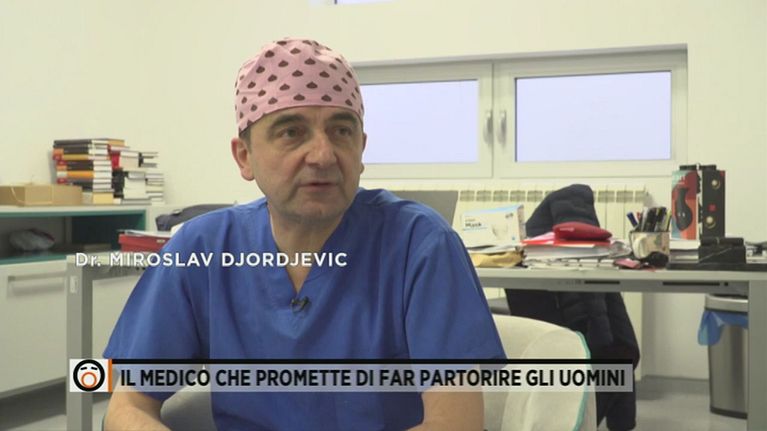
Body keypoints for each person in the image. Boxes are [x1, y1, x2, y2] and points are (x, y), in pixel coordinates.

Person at [103, 37, 504, 431]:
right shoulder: (202, 249)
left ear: (361, 149)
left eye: (341, 131)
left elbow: (457, 423)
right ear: (244, 157)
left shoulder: (421, 246)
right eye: (291, 132)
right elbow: (126, 408)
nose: (324, 155)